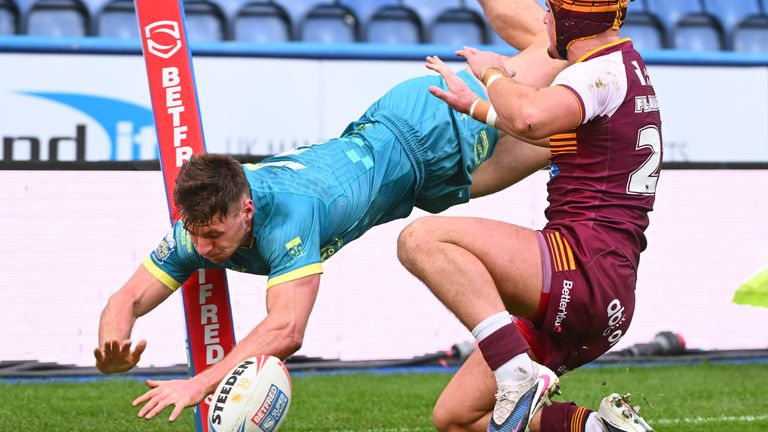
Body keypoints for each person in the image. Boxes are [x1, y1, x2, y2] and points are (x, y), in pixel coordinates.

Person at [92, 4, 568, 421]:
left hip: (431, 125)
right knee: (567, 144)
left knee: (552, 51)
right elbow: (126, 298)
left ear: (247, 209)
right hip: (423, 181)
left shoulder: (290, 217)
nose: (202, 250)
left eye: (214, 235)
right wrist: (111, 345)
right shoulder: (200, 221)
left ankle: (583, 25)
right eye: (195, 236)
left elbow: (286, 330)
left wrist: (198, 384)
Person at [397, 0, 661, 431]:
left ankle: (515, 371)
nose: (544, 20)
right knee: (457, 418)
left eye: (551, 12)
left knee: (422, 240)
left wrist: (491, 73)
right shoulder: (623, 67)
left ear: (574, 19)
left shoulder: (598, 70)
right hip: (603, 293)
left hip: (582, 268)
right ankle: (600, 428)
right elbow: (545, 133)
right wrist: (476, 107)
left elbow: (530, 117)